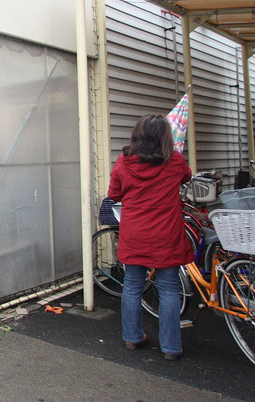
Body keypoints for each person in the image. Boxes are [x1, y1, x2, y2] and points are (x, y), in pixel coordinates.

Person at [107, 113, 192, 361]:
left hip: (135, 232)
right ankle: (171, 347)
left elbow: (114, 194)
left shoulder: (124, 162)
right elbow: (186, 177)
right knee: (168, 290)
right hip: (167, 233)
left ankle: (132, 338)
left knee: (132, 286)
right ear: (166, 136)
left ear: (138, 135)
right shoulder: (174, 161)